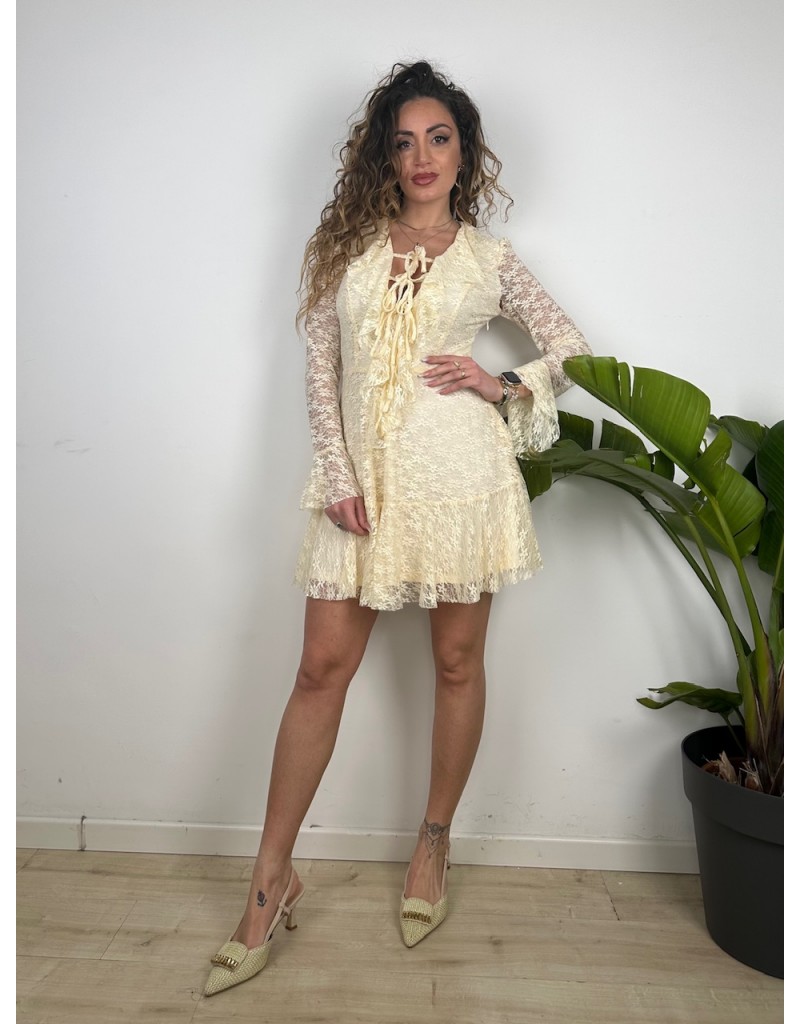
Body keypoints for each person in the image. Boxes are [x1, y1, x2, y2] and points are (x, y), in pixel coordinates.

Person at [205, 59, 591, 997]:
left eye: (439, 138)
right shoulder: (344, 248)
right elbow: (320, 372)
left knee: (457, 664)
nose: (422, 156)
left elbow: (572, 348)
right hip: (363, 491)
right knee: (319, 671)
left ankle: (434, 841)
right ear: (384, 155)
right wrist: (337, 476)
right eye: (405, 140)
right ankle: (270, 880)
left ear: (465, 151)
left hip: (461, 484)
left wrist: (503, 383)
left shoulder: (489, 259)